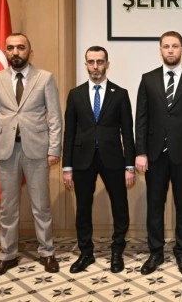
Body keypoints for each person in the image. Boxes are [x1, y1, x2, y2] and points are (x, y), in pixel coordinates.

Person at [0, 32, 63, 278]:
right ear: (6, 51)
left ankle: (47, 252)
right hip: (6, 152)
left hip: (37, 151)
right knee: (8, 208)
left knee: (41, 206)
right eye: (10, 48)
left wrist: (54, 149)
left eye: (20, 47)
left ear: (30, 51)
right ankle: (7, 255)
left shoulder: (45, 78)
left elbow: (55, 117)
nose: (15, 52)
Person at [135, 31, 182, 275]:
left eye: (175, 46)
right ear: (160, 50)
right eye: (166, 46)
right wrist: (140, 152)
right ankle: (155, 252)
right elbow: (141, 118)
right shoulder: (148, 79)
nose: (171, 50)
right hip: (155, 156)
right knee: (155, 205)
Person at [62, 46, 136, 274]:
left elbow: (128, 132)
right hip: (82, 160)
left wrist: (130, 165)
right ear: (86, 64)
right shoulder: (75, 94)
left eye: (100, 62)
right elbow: (69, 132)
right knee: (83, 207)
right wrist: (67, 166)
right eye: (91, 62)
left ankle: (117, 251)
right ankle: (86, 253)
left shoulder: (120, 94)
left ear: (107, 64)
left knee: (120, 206)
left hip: (113, 159)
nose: (96, 66)